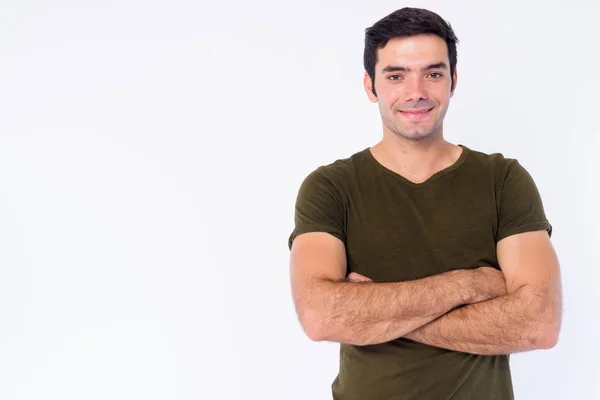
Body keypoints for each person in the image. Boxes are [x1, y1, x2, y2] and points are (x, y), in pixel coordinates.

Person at [287, 7, 563, 400]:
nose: (416, 92)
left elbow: (538, 324)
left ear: (453, 82)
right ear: (371, 86)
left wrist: (375, 314)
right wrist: (469, 283)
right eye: (396, 75)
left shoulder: (502, 180)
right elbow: (321, 316)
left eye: (433, 73)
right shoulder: (331, 187)